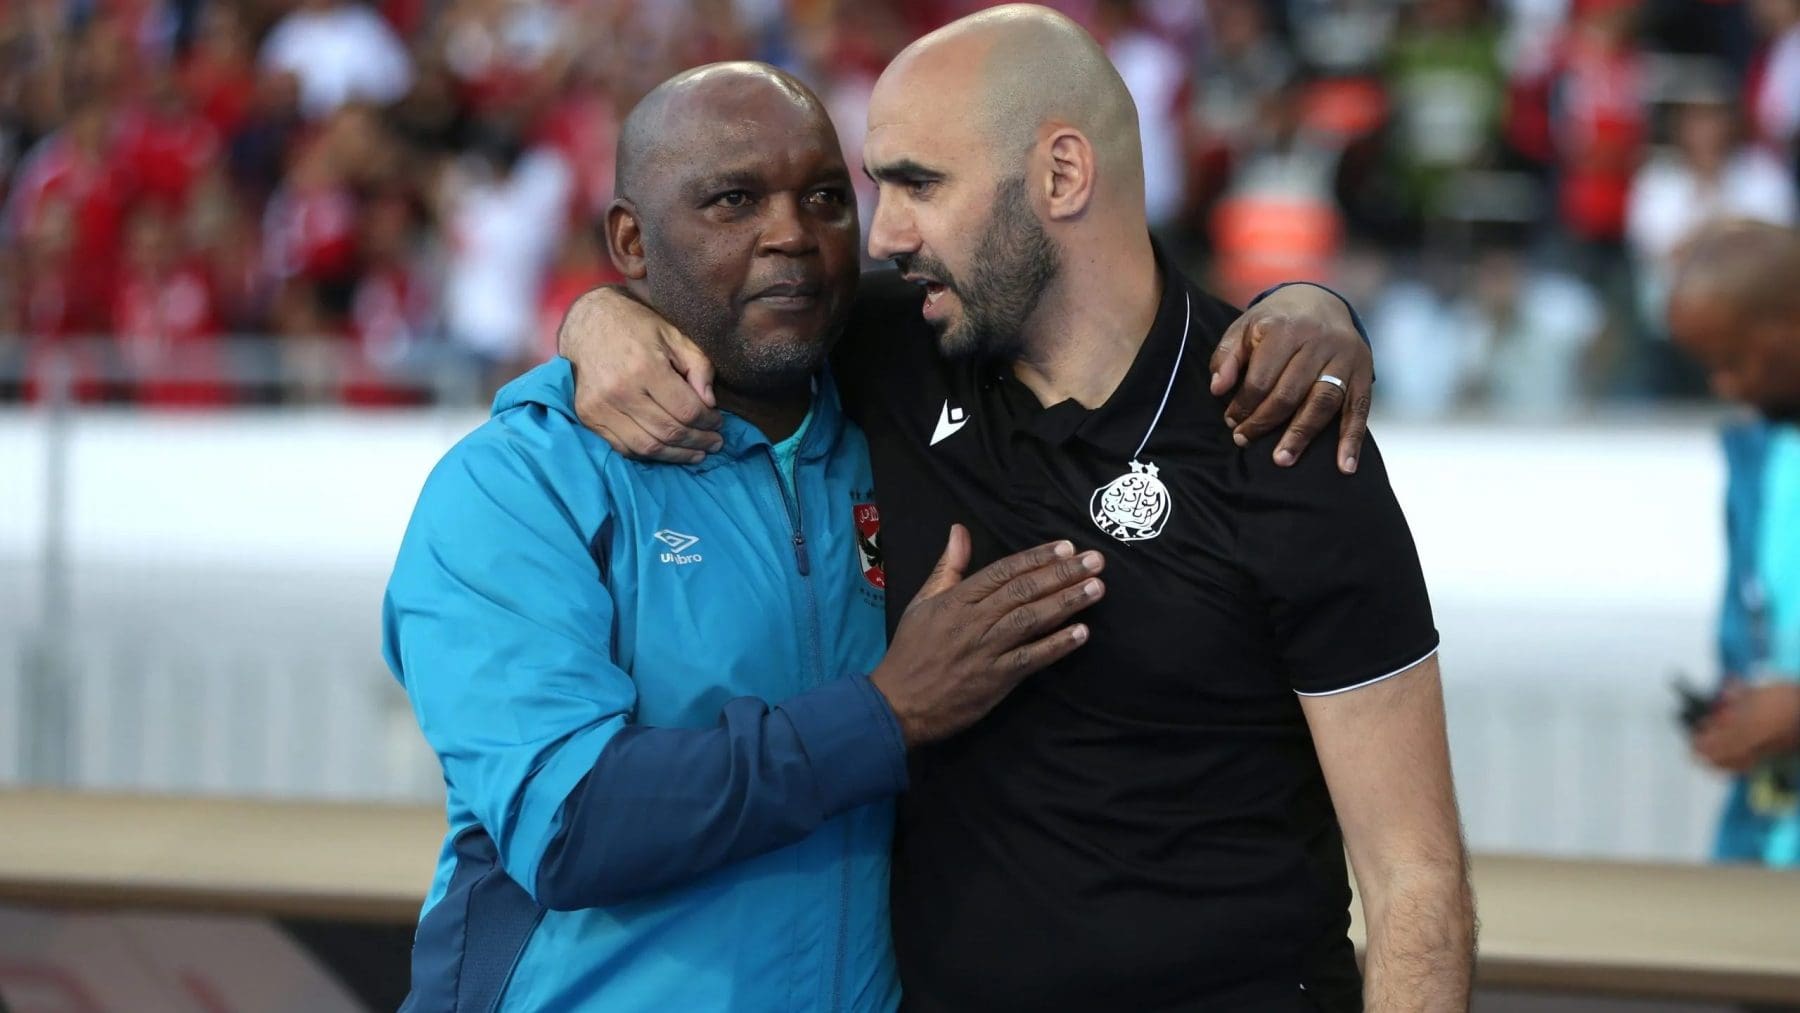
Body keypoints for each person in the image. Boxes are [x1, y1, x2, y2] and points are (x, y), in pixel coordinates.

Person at [560, 6, 1474, 1010]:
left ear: (1061, 175)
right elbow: (702, 291)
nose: (884, 234)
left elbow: (1415, 882)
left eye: (919, 183)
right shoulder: (893, 348)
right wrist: (598, 317)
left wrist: (1318, 307)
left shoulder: (1284, 429)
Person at [383, 63, 1113, 1012]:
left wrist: (1308, 316)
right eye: (733, 200)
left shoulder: (905, 431)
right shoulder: (516, 485)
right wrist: (886, 714)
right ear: (631, 242)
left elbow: (1115, 323)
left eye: (823, 197)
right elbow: (569, 823)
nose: (791, 236)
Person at [1666, 220, 1800, 867]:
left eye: (1733, 359)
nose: (1723, 386)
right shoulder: (1760, 459)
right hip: (1767, 839)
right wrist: (1736, 708)